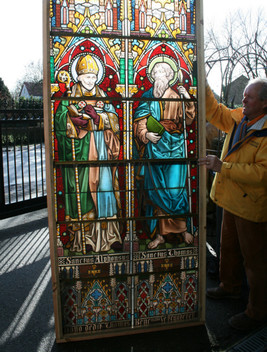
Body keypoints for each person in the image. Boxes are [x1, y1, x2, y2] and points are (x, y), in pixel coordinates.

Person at [199, 78, 267, 331]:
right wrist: (202, 80)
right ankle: (230, 287)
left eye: (249, 97)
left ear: (264, 103)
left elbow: (262, 173)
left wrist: (222, 167)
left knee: (255, 261)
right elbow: (215, 111)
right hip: (230, 200)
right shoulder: (240, 118)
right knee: (228, 249)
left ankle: (257, 311)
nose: (243, 100)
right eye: (244, 95)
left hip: (252, 207)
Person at [55, 54, 122, 253]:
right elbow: (59, 120)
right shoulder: (70, 96)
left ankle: (110, 237)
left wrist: (98, 117)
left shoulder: (103, 97)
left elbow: (115, 121)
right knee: (83, 194)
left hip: (102, 150)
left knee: (105, 189)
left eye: (93, 76)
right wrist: (72, 122)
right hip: (82, 151)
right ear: (78, 77)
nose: (90, 80)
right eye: (86, 77)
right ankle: (84, 241)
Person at [134, 59, 195, 249]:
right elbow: (139, 120)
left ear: (170, 76)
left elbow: (188, 119)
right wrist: (145, 134)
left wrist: (187, 100)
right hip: (155, 148)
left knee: (176, 191)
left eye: (162, 72)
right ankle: (160, 235)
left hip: (175, 148)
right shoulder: (147, 96)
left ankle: (183, 229)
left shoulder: (176, 96)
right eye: (156, 73)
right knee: (157, 192)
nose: (157, 76)